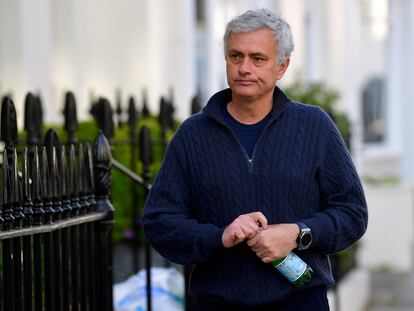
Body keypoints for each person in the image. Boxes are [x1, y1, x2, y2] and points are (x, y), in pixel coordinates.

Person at [142, 8, 368, 310]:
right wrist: (220, 236)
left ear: (282, 67)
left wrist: (298, 233)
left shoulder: (315, 126)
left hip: (299, 301)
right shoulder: (193, 135)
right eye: (236, 56)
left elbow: (353, 213)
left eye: (257, 58)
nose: (244, 67)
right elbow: (159, 222)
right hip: (216, 303)